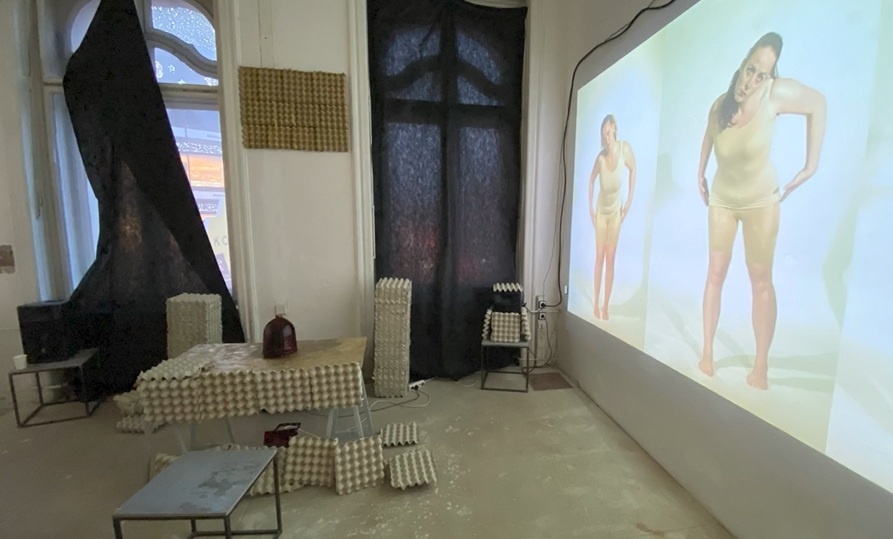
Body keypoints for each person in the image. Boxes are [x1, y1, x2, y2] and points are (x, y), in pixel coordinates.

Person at [696, 32, 826, 389]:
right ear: (743, 64)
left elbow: (817, 103)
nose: (751, 80)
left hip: (760, 202)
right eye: (750, 69)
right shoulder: (720, 105)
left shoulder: (774, 94)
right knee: (715, 274)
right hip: (722, 200)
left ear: (770, 77)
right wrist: (700, 172)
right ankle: (707, 353)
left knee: (760, 280)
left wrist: (810, 166)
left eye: (761, 75)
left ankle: (761, 366)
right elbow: (708, 134)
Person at [588, 114, 637, 321]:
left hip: (616, 213)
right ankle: (596, 303)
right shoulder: (600, 158)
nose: (606, 138)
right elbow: (591, 181)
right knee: (599, 256)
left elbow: (633, 169)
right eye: (603, 135)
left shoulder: (625, 149)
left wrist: (629, 201)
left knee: (610, 258)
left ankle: (605, 305)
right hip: (602, 212)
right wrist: (590, 208)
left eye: (608, 133)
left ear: (614, 129)